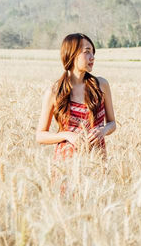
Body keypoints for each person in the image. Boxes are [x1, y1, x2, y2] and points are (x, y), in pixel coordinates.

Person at [35, 33, 117, 164]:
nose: (92, 57)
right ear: (72, 54)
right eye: (87, 52)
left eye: (93, 53)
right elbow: (40, 135)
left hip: (96, 161)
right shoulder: (54, 92)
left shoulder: (101, 85)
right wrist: (67, 135)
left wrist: (103, 130)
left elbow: (112, 123)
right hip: (65, 165)